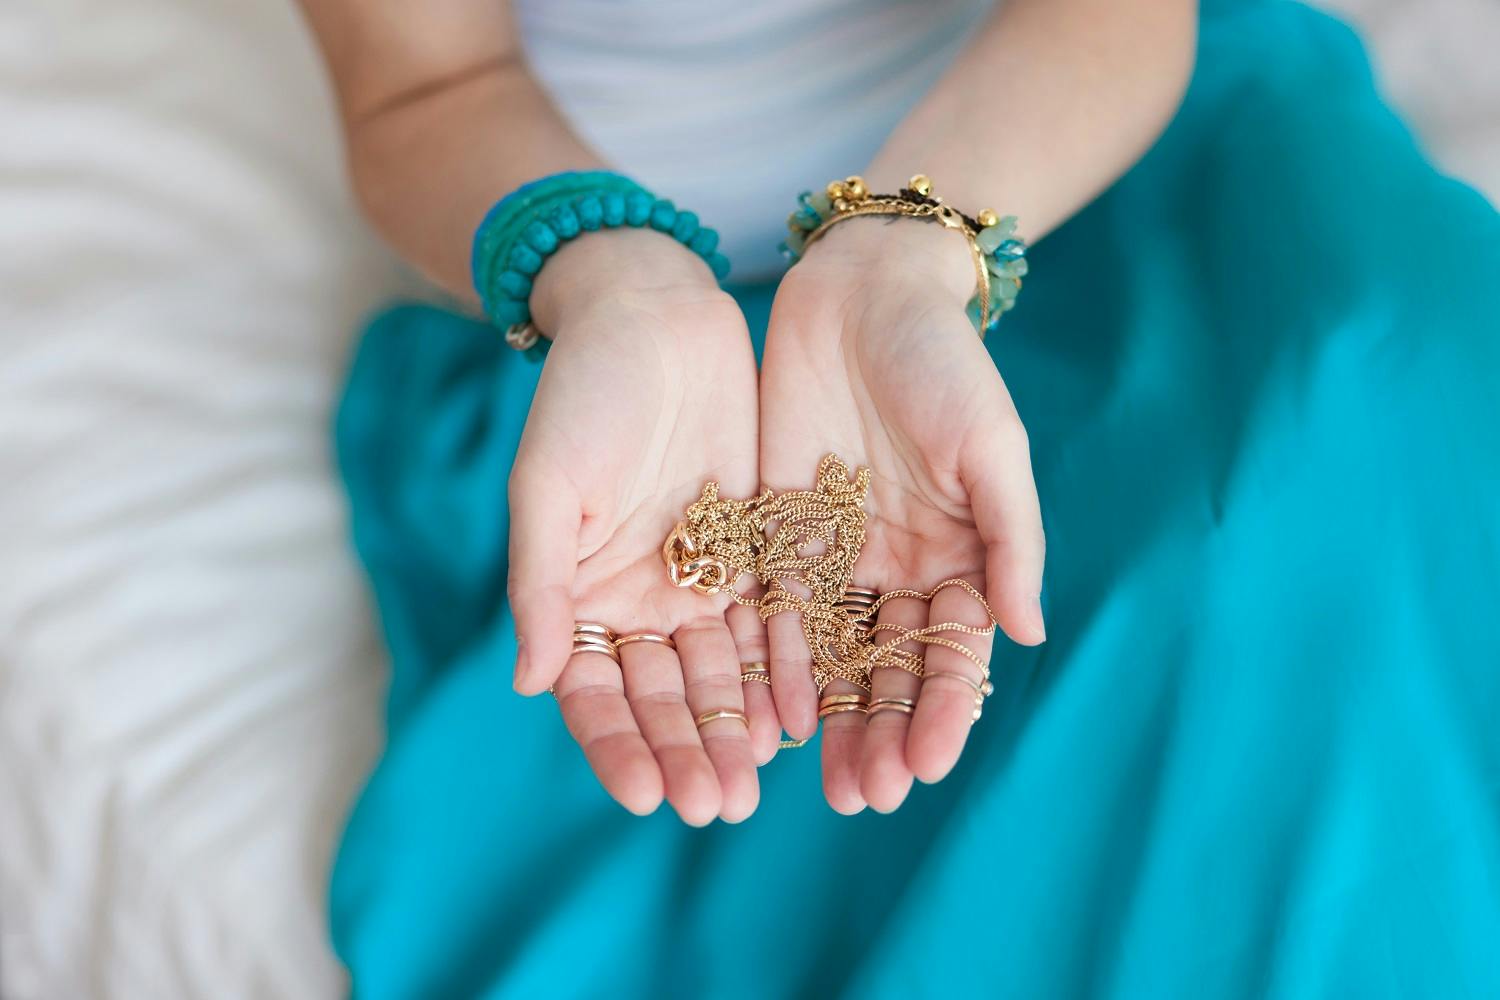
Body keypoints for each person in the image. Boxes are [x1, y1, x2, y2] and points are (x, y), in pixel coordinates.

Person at [301, 0, 1500, 995]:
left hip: (1071, 140)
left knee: (1360, 429)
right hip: (621, 315)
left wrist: (912, 253)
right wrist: (605, 273)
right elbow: (424, 87)